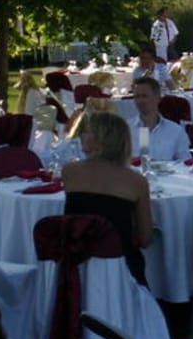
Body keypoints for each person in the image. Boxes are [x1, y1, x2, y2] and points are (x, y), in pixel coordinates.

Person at [63, 111, 151, 286]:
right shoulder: (136, 181)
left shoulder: (70, 171)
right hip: (120, 269)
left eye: (87, 132)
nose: (82, 135)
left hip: (77, 265)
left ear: (100, 139)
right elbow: (145, 238)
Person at [130, 76, 190, 161]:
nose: (140, 100)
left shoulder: (175, 131)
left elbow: (185, 162)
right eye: (137, 96)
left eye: (144, 96)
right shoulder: (125, 130)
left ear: (158, 98)